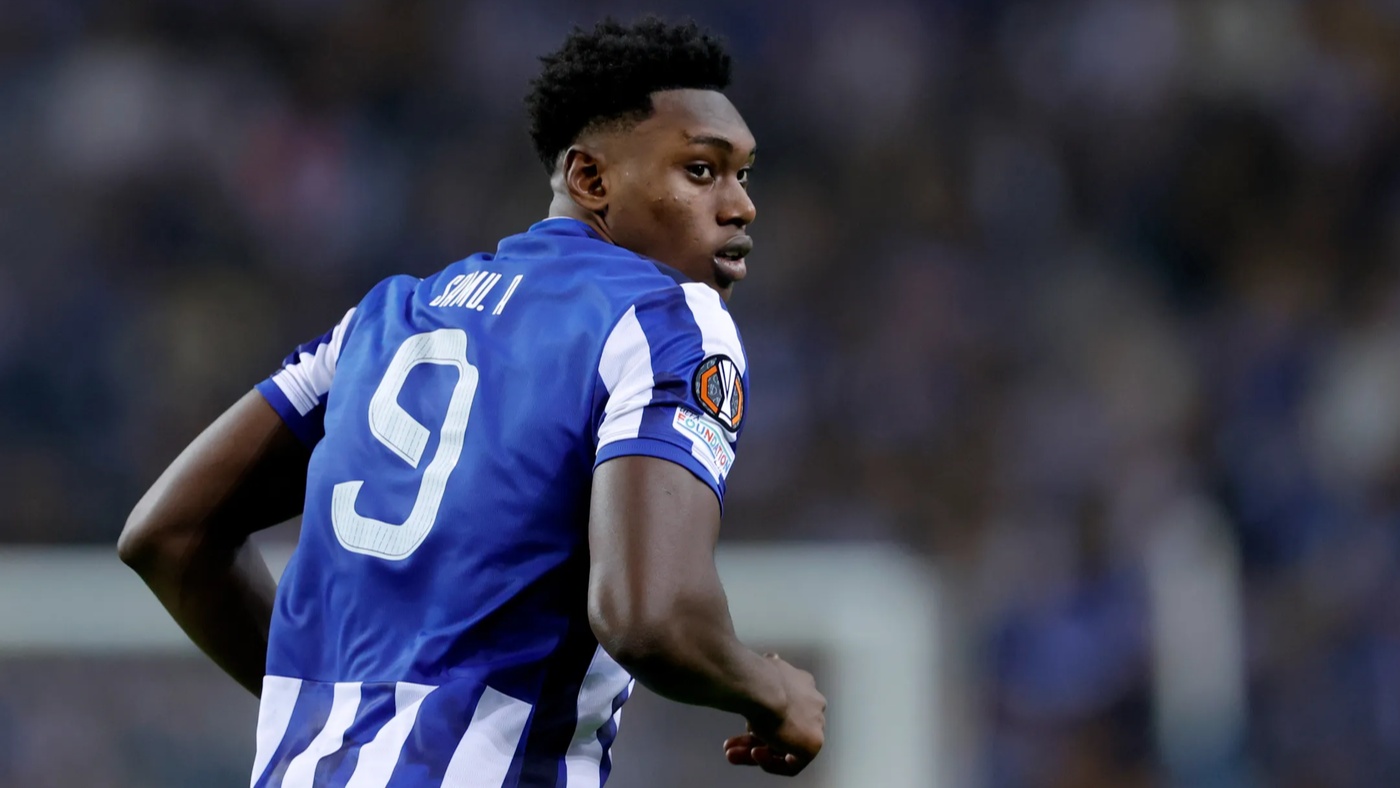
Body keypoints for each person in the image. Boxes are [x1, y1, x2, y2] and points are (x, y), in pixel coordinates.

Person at [117, 16, 825, 786]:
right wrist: (773, 689)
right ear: (591, 180)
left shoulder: (384, 318)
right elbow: (650, 619)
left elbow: (169, 533)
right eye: (701, 170)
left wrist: (354, 722)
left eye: (743, 175)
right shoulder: (668, 318)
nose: (740, 206)